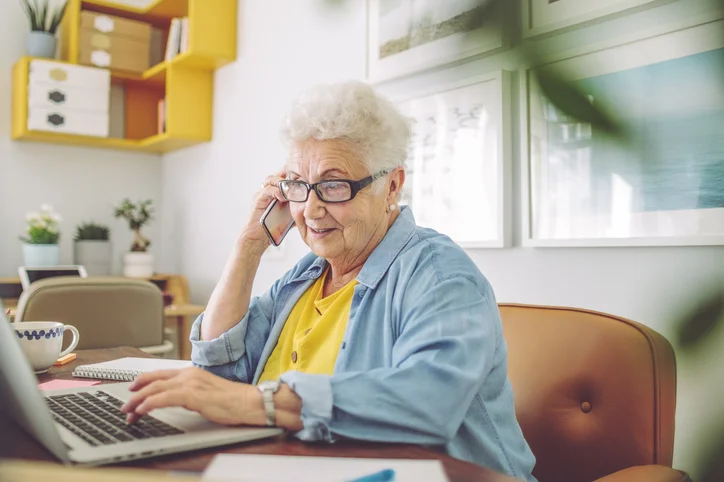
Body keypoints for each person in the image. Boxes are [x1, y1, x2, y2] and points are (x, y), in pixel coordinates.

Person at [120, 81, 537, 480]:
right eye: (299, 186)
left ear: (392, 185)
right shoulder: (307, 275)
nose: (311, 210)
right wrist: (249, 246)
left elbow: (429, 402)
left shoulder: (439, 274)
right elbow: (218, 372)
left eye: (334, 186)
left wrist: (257, 402)